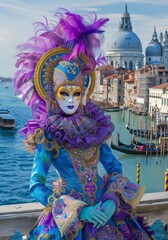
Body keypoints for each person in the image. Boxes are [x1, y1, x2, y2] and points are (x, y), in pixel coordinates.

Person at [13, 9, 155, 239]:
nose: (70, 100)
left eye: (76, 93)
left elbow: (114, 168)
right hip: (71, 218)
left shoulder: (93, 129)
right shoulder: (48, 135)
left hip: (104, 210)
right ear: (53, 94)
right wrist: (77, 210)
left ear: (83, 94)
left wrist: (110, 201)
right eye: (64, 93)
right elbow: (36, 185)